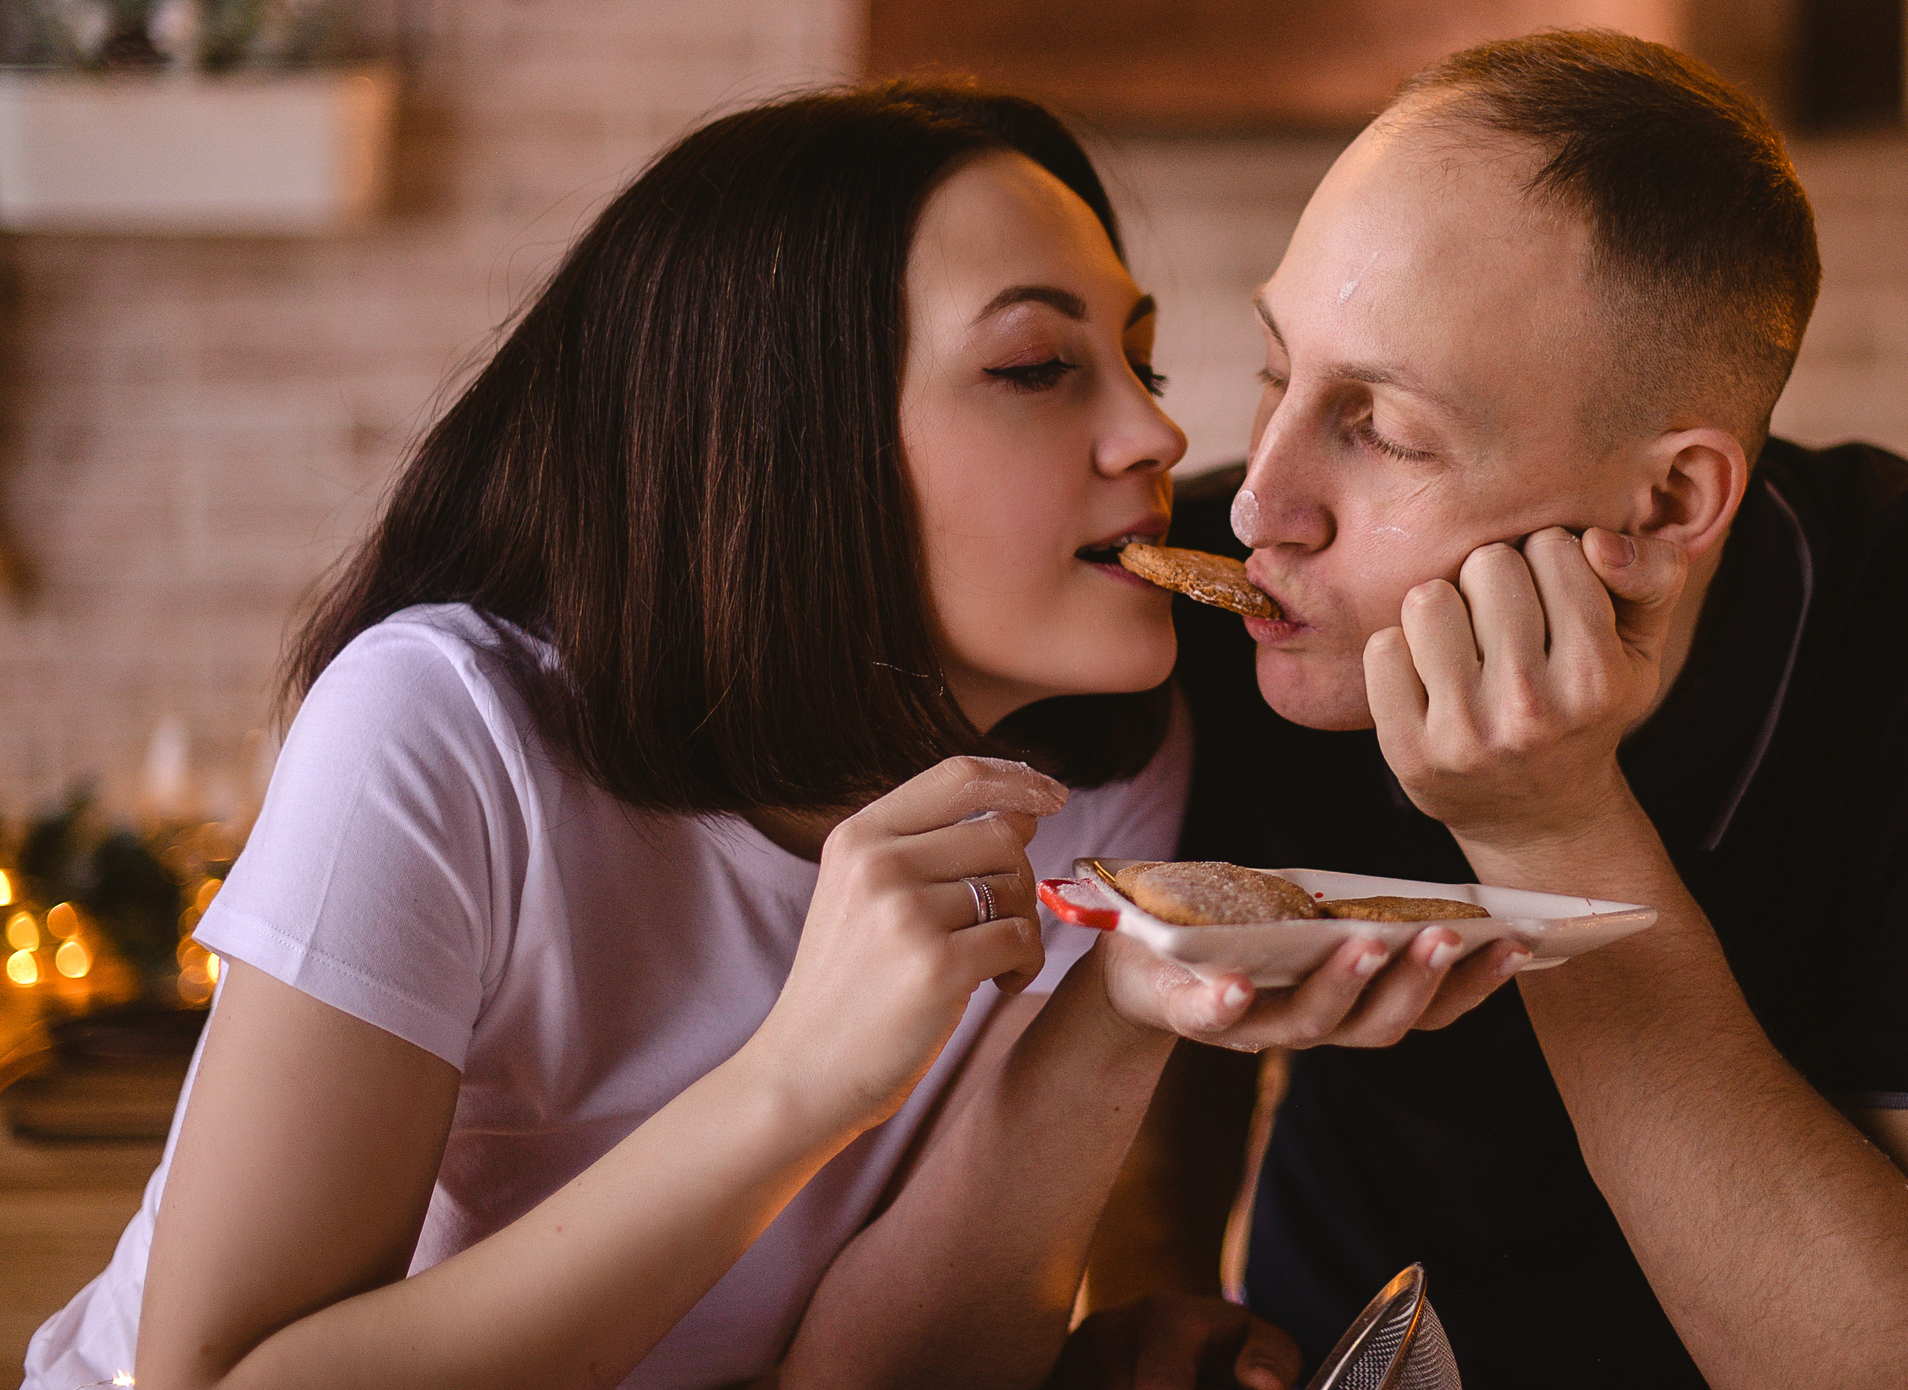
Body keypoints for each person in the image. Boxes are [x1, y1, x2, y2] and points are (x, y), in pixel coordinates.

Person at [25, 82, 1520, 1390]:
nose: (1157, 437)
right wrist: (797, 1079)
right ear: (790, 434)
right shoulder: (445, 732)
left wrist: (1121, 1004)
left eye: (1147, 366)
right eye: (1036, 367)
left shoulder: (1102, 780)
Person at [1124, 31, 1908, 1389]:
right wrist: (1157, 1303)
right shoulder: (1217, 611)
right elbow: (1157, 1023)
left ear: (1667, 502)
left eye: (1382, 428)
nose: (1262, 503)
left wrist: (1550, 833)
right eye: (1276, 372)